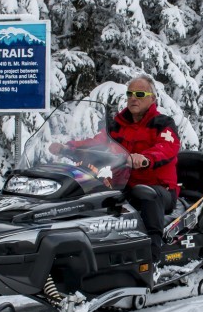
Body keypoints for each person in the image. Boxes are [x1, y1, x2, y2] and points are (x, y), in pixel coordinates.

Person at [50, 75, 180, 261]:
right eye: (130, 94)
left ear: (152, 98)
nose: (133, 98)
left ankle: (152, 256)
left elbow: (167, 147)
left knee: (146, 194)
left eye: (140, 94)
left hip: (159, 188)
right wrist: (68, 148)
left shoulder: (163, 124)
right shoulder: (118, 124)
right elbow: (96, 142)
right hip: (124, 184)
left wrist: (145, 158)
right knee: (92, 190)